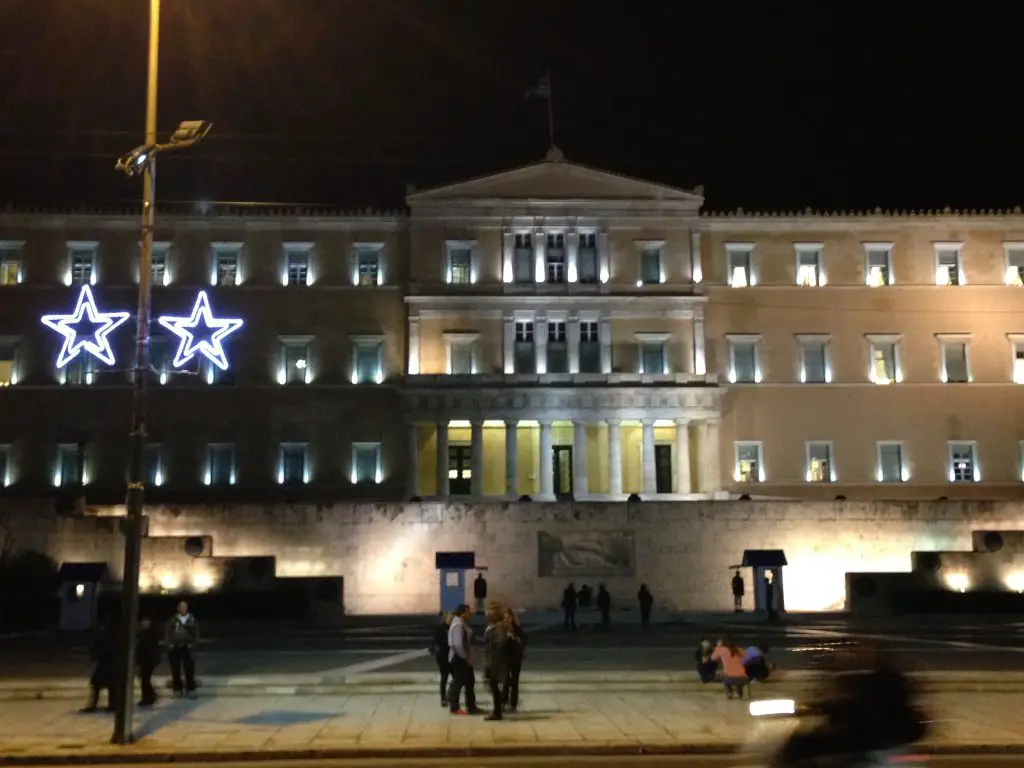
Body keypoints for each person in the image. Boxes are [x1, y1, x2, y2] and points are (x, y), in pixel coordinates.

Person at [774, 645, 927, 766]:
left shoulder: (863, 685)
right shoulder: (887, 683)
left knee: (799, 746)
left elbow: (849, 710)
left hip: (865, 738)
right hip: (882, 737)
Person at [447, 604, 481, 715]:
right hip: (460, 659)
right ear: (462, 613)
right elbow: (457, 644)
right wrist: (465, 657)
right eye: (468, 611)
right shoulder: (458, 625)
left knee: (469, 682)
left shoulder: (462, 624)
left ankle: (471, 706)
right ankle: (455, 707)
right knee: (459, 683)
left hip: (463, 658)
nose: (470, 613)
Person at [165, 600, 199, 698]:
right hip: (175, 647)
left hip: (187, 647)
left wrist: (192, 645)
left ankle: (191, 689)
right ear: (178, 608)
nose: (182, 608)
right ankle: (177, 689)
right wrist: (169, 645)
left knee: (189, 670)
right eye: (181, 606)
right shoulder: (173, 620)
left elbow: (196, 634)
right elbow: (167, 633)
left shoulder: (192, 620)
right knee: (175, 670)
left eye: (184, 606)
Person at [81, 621, 116, 713]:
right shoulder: (116, 639)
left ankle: (94, 705)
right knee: (112, 687)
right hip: (113, 667)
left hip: (104, 667)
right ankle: (112, 705)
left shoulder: (104, 639)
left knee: (97, 686)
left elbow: (95, 653)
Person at [482, 602, 509, 721]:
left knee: (494, 687)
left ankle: (497, 712)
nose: (486, 613)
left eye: (488, 611)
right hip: (492, 660)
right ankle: (498, 709)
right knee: (493, 686)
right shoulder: (494, 625)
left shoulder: (499, 626)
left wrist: (492, 658)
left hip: (495, 662)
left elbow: (500, 642)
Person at [136, 616, 163, 707]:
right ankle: (150, 695)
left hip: (148, 660)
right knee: (145, 678)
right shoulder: (146, 634)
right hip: (147, 660)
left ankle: (148, 697)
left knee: (145, 679)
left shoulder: (148, 635)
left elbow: (144, 649)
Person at [503, 607, 526, 712]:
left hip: (515, 659)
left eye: (509, 617)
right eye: (505, 617)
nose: (507, 619)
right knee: (505, 682)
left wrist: (515, 639)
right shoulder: (501, 630)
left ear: (512, 618)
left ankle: (513, 704)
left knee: (514, 683)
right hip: (505, 659)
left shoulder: (517, 629)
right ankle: (503, 702)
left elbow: (523, 642)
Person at [429, 612, 452, 707]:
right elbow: (435, 641)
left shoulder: (453, 628)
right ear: (445, 619)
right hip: (443, 656)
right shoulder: (440, 629)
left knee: (457, 677)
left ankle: (450, 694)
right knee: (444, 677)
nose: (451, 621)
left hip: (452, 655)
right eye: (450, 619)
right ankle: (443, 698)